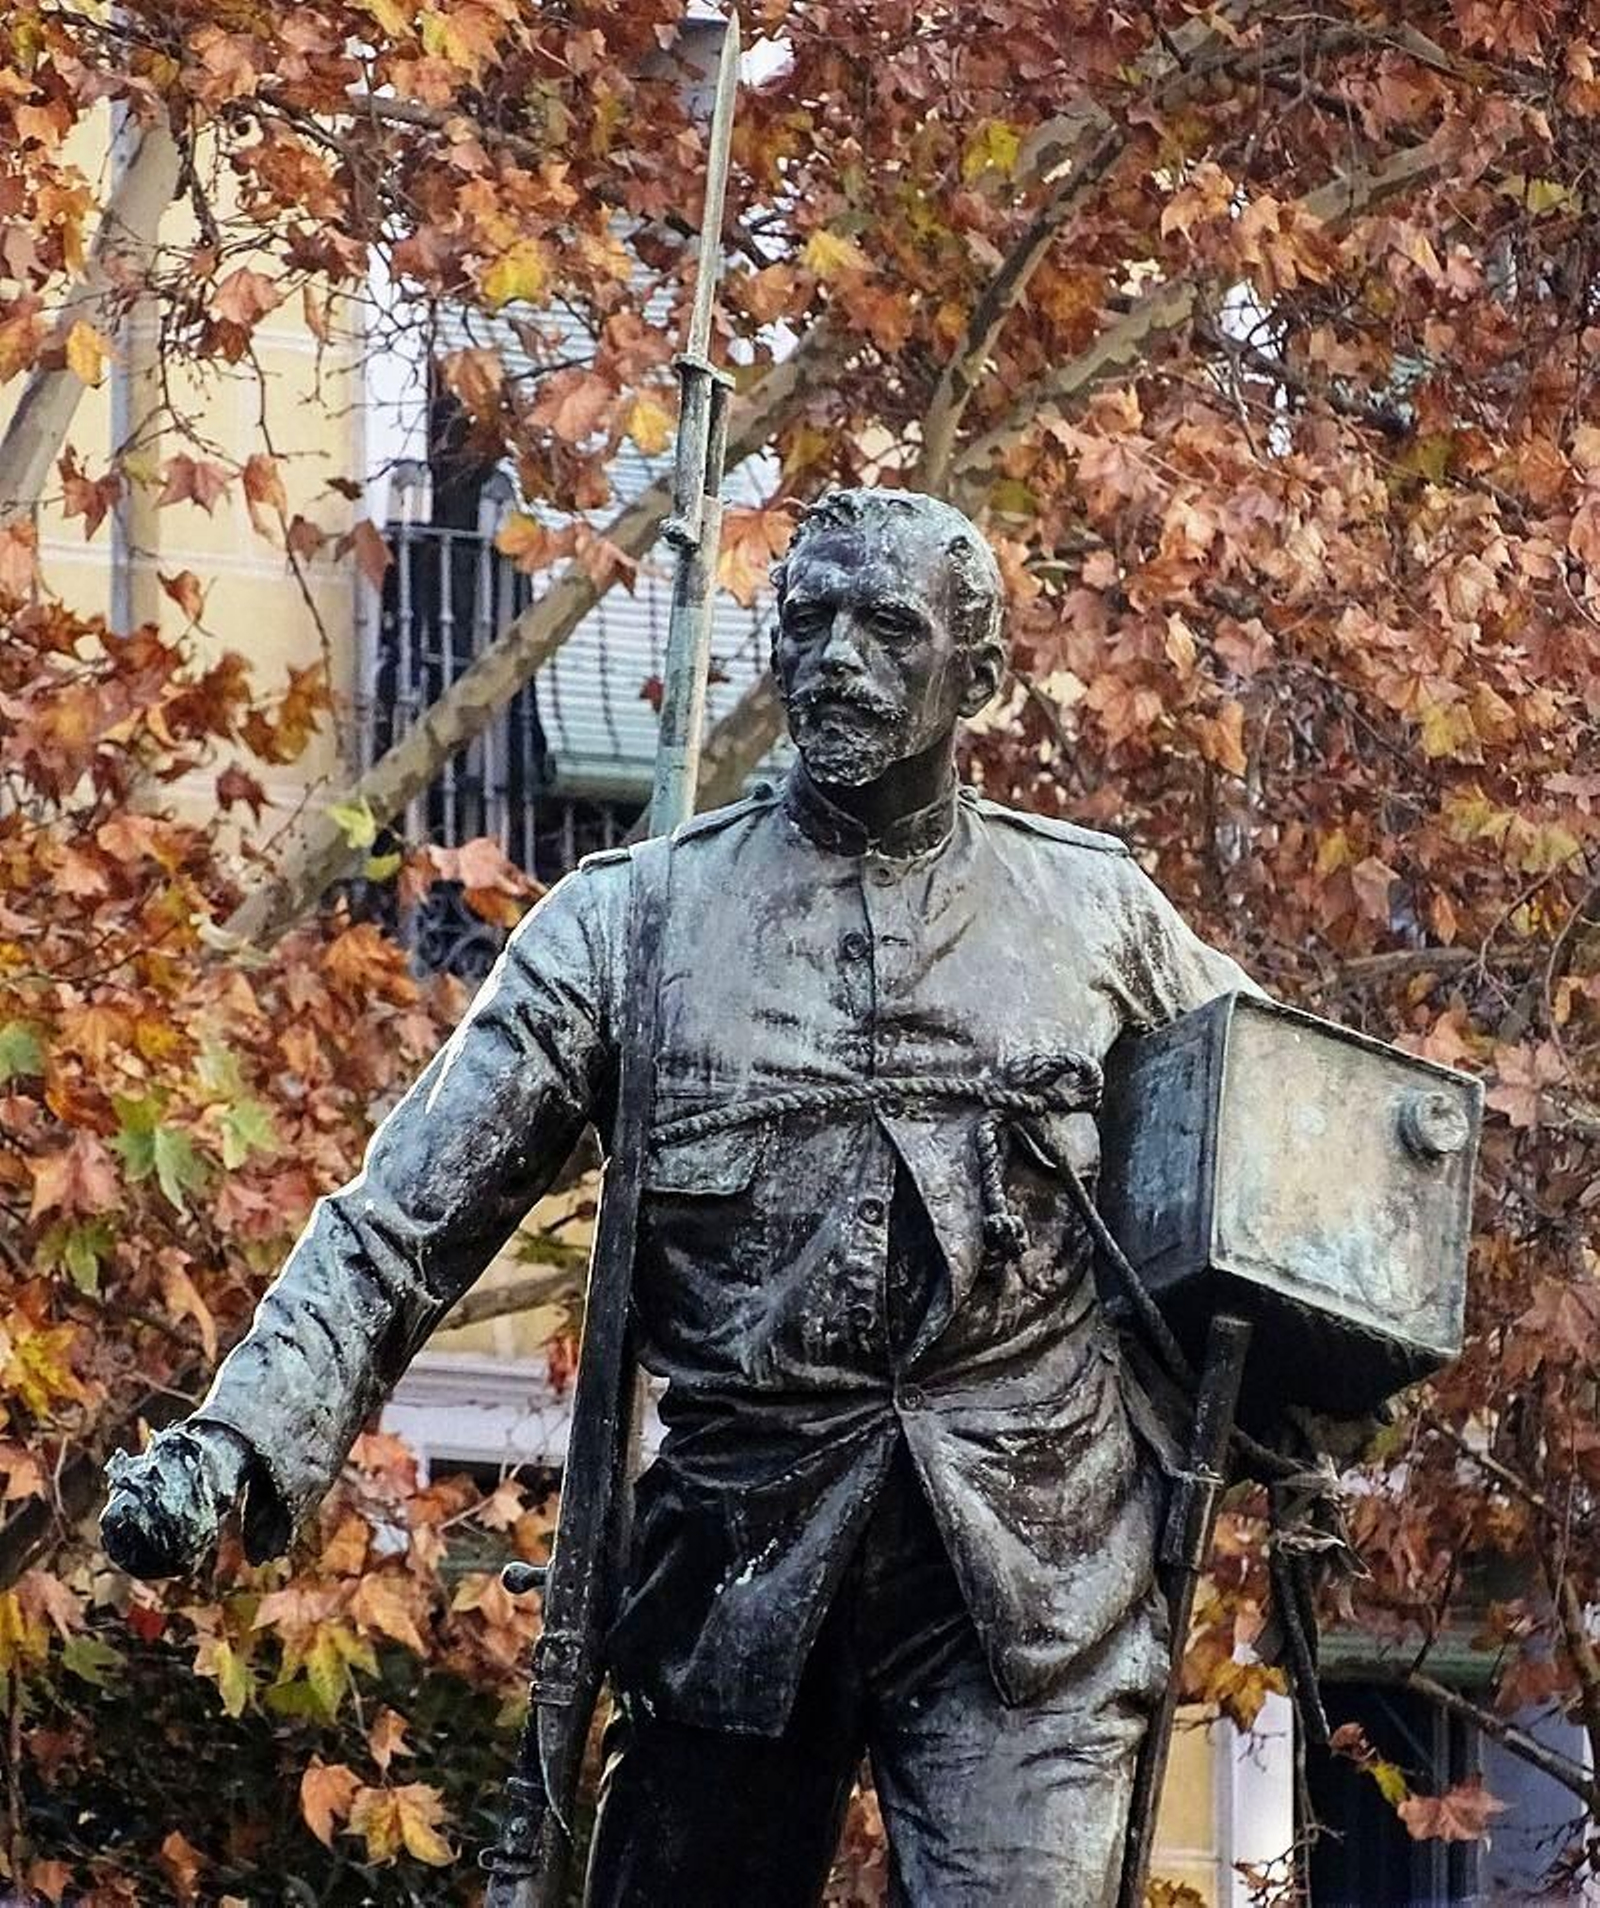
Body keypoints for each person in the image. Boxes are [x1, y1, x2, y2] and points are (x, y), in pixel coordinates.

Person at [102, 487, 1257, 1906]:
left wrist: (1312, 1398)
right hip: (739, 1573)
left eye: (888, 628)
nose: (837, 660)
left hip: (1031, 1585)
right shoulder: (623, 926)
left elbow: (1282, 1152)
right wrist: (239, 1441)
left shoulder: (1100, 918)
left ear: (981, 675)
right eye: (809, 620)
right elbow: (396, 1225)